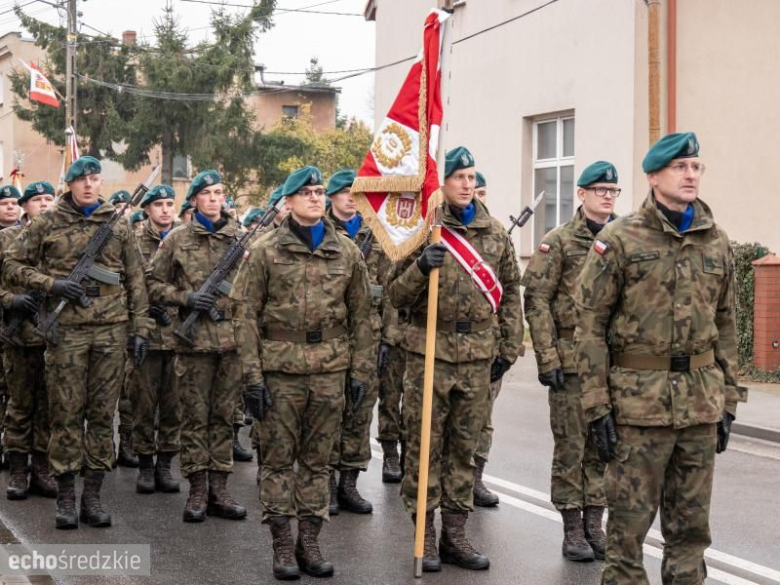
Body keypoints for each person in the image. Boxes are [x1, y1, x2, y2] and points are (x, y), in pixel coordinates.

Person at [574, 133, 746, 584]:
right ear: (653, 177)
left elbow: (726, 323)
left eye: (696, 167)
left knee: (690, 532)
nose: (691, 174)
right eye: (680, 167)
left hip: (699, 407)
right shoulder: (620, 239)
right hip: (637, 409)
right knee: (627, 534)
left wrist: (730, 398)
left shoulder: (716, 240)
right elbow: (589, 325)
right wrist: (596, 406)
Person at [232, 165, 372, 580]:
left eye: (318, 191)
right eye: (306, 192)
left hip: (330, 371)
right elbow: (243, 315)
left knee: (317, 462)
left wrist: (360, 372)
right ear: (288, 202)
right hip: (280, 371)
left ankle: (308, 541)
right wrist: (252, 378)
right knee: (277, 461)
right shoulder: (264, 250)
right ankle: (280, 544)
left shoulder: (346, 251)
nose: (314, 197)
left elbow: (363, 316)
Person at [387, 147, 523, 572]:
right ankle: (424, 533)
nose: (466, 184)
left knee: (464, 448)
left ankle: (456, 534)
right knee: (426, 447)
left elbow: (511, 293)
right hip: (430, 353)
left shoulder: (494, 232)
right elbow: (395, 295)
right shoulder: (423, 231)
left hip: (477, 355)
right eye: (458, 177)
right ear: (441, 184)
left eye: (470, 177)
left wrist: (509, 346)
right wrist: (420, 268)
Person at [4, 157, 151, 529]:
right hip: (66, 331)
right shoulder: (47, 221)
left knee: (102, 416)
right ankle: (66, 497)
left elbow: (135, 279)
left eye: (94, 178)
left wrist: (140, 329)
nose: (88, 184)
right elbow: (12, 264)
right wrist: (51, 285)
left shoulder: (117, 224)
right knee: (66, 415)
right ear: (69, 183)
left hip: (110, 331)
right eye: (81, 179)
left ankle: (94, 497)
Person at [522, 160, 618, 561]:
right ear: (581, 194)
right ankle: (572, 529)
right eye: (600, 190)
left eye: (613, 191)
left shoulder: (624, 239)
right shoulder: (558, 241)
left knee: (605, 447)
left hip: (612, 364)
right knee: (571, 448)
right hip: (570, 360)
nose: (607, 197)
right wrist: (547, 357)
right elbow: (537, 300)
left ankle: (596, 524)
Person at [148, 169, 246, 523]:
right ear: (195, 200)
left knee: (223, 418)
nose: (215, 198)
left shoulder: (243, 238)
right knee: (194, 418)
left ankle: (220, 488)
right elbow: (153, 284)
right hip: (193, 343)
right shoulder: (176, 239)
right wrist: (186, 298)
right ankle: (198, 488)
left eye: (219, 192)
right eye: (207, 193)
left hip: (232, 343)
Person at [325, 169, 393, 514]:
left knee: (360, 410)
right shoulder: (320, 232)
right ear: (331, 197)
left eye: (356, 192)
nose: (351, 197)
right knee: (329, 411)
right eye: (344, 192)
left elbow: (392, 289)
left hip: (370, 334)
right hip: (331, 336)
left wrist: (386, 339)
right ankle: (327, 484)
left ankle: (349, 482)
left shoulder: (377, 233)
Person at [0, 181, 57, 500]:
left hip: (54, 338)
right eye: (37, 200)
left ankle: (42, 470)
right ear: (25, 206)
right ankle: (19, 472)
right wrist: (10, 301)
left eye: (50, 199)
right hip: (19, 337)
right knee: (20, 407)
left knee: (48, 408)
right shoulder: (6, 239)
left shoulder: (62, 240)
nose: (45, 204)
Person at [132, 184, 182, 495]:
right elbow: (129, 282)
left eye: (169, 203)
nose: (165, 209)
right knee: (143, 403)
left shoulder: (185, 241)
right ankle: (145, 465)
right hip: (146, 335)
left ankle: (165, 464)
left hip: (180, 334)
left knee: (174, 405)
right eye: (159, 204)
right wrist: (147, 308)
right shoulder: (134, 242)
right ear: (148, 209)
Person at [0, 184, 20, 472]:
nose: (11, 207)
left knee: (15, 390)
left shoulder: (32, 236)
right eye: (5, 203)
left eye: (16, 203)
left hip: (22, 327)